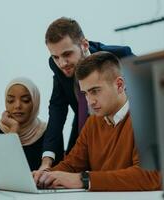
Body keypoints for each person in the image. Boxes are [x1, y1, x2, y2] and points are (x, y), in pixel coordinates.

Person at [33, 51, 162, 191]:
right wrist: (43, 176)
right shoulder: (92, 123)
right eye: (85, 93)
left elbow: (149, 176)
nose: (90, 102)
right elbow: (71, 165)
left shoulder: (147, 119)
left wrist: (84, 179)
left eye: (95, 91)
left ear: (119, 85)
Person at [40, 17, 133, 170]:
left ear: (84, 45)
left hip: (120, 133)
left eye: (67, 54)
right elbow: (57, 109)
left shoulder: (120, 56)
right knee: (69, 167)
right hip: (83, 125)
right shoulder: (57, 65)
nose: (62, 63)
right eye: (55, 57)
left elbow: (147, 91)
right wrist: (47, 161)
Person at [0, 77, 47, 171]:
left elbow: (55, 172)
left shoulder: (48, 131)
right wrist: (14, 128)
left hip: (35, 186)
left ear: (35, 102)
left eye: (25, 100)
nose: (17, 106)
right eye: (10, 101)